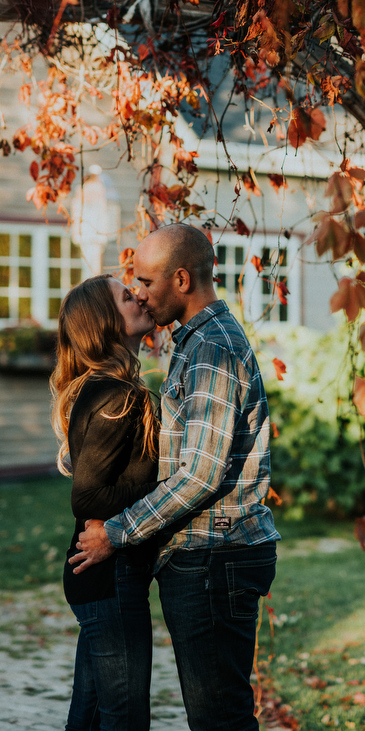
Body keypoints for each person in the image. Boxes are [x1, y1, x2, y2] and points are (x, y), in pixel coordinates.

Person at [69, 224, 280, 731]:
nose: (138, 291)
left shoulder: (213, 348)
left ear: (181, 279)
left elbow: (201, 475)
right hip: (202, 556)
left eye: (144, 280)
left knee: (219, 719)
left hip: (214, 556)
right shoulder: (191, 343)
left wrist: (115, 533)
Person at [51, 275, 160, 731]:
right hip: (108, 581)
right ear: (105, 323)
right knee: (124, 717)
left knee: (92, 713)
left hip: (101, 579)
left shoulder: (106, 389)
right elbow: (89, 496)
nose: (138, 297)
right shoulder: (117, 395)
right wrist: (161, 485)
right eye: (126, 296)